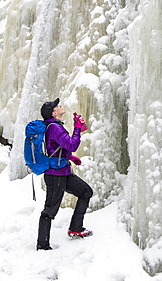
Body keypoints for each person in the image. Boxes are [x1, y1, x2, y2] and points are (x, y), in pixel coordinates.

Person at [36, 98, 93, 250]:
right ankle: (42, 245)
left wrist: (69, 157)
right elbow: (72, 144)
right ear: (54, 113)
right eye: (57, 106)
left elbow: (56, 147)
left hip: (63, 171)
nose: (60, 106)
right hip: (55, 175)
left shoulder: (54, 126)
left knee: (86, 192)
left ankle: (76, 227)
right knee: (50, 210)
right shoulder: (54, 127)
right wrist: (77, 128)